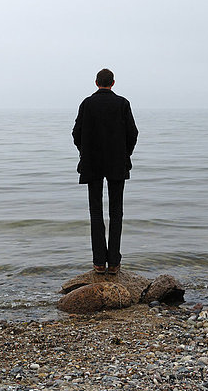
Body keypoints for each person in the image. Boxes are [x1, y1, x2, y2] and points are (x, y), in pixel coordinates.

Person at [72, 68, 138, 274]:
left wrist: (85, 150)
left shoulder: (87, 104)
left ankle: (99, 262)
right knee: (116, 213)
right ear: (113, 82)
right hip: (117, 163)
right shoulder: (122, 104)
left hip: (92, 163)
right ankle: (114, 263)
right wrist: (124, 153)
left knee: (96, 212)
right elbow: (132, 134)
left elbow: (76, 134)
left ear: (96, 82)